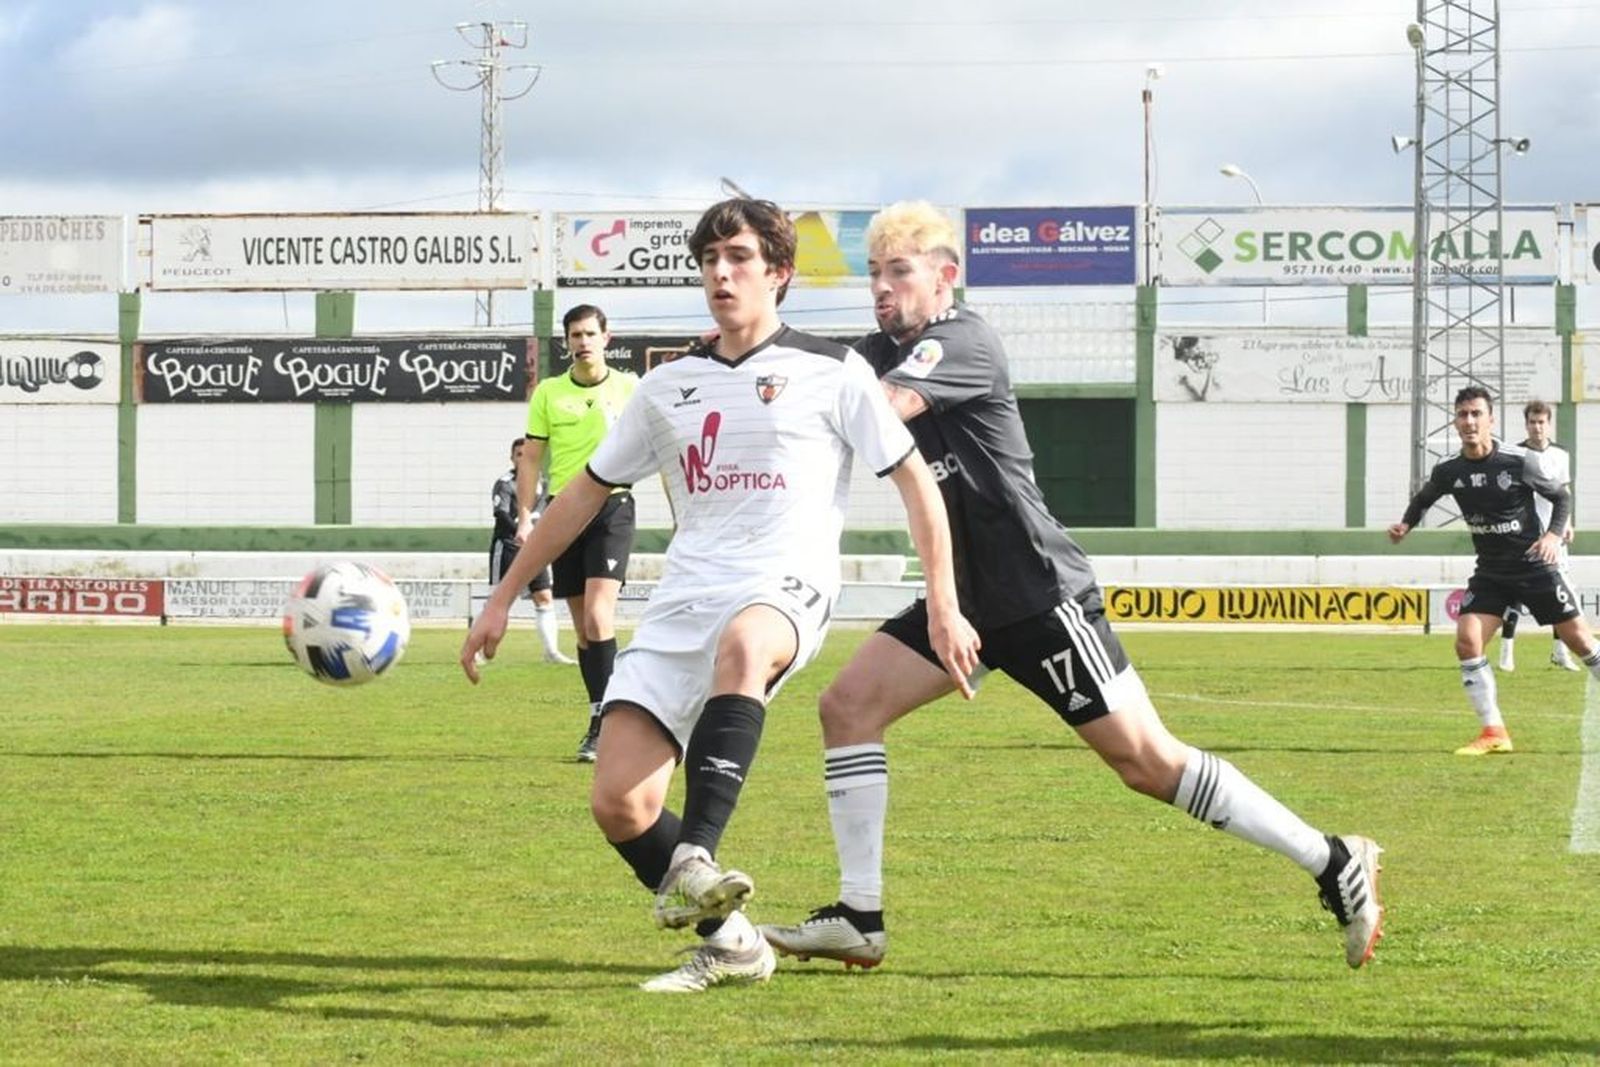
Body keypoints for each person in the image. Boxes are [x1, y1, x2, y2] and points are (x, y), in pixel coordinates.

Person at [759, 200, 1385, 974]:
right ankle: (860, 914)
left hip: (1038, 594)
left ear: (945, 276)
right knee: (847, 705)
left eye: (900, 272)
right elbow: (822, 377)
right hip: (967, 600)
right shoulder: (877, 351)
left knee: (1148, 764)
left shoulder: (962, 342)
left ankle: (1332, 859)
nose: (882, 288)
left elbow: (879, 410)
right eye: (875, 274)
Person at [460, 197, 980, 994]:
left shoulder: (831, 370)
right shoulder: (669, 387)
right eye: (709, 261)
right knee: (619, 802)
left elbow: (915, 480)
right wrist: (502, 595)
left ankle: (697, 853)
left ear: (778, 273)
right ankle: (733, 941)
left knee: (747, 643)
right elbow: (583, 493)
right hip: (683, 601)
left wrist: (941, 600)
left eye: (738, 258)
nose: (721, 274)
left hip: (784, 585)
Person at [1390, 386, 1600, 755]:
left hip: (1535, 566)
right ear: (1455, 421)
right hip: (1491, 572)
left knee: (1581, 642)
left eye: (1476, 414)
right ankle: (1494, 733)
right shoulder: (1449, 470)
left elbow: (1561, 497)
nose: (1469, 421)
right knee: (1467, 641)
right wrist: (1405, 525)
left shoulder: (1518, 460)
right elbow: (1423, 499)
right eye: (1462, 415)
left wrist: (1552, 535)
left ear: (1491, 420)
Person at [519, 304, 639, 762]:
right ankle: (598, 716)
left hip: (613, 505)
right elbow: (531, 457)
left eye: (590, 333)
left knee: (597, 616)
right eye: (575, 335)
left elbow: (662, 442)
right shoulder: (548, 392)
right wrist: (527, 515)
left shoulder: (629, 387)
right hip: (562, 513)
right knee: (585, 633)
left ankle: (612, 724)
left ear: (607, 338)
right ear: (566, 342)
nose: (583, 341)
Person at [1497, 400, 1579, 672]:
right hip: (1524, 535)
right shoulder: (1516, 454)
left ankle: (1560, 652)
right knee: (1517, 594)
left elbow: (1564, 492)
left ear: (1548, 423)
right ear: (1526, 424)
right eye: (1532, 422)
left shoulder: (1561, 454)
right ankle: (1506, 651)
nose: (1537, 427)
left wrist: (1567, 522)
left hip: (1553, 536)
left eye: (1541, 422)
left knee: (1560, 593)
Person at [490, 438, 575, 666]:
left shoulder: (544, 484)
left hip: (534, 547)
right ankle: (481, 649)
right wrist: (520, 531)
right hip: (508, 546)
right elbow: (500, 514)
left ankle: (551, 652)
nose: (521, 458)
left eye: (524, 454)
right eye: (517, 454)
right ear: (512, 458)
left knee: (544, 597)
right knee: (499, 598)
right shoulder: (504, 483)